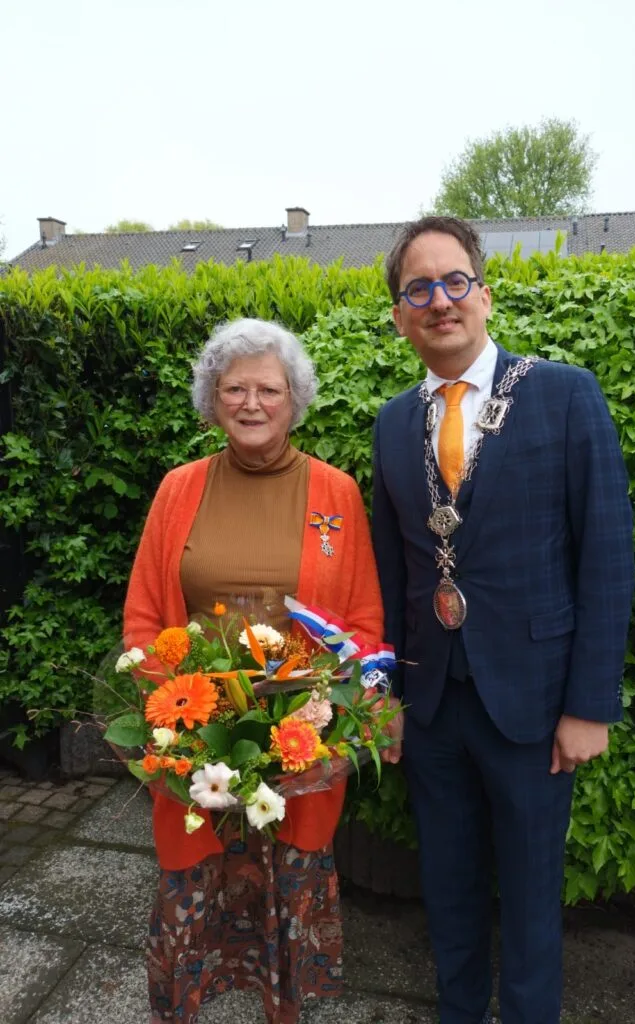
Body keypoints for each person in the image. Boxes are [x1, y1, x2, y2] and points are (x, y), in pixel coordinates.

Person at [372, 217, 635, 1024]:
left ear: (484, 295)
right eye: (419, 289)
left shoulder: (563, 393)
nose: (440, 300)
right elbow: (391, 573)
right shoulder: (392, 422)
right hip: (431, 705)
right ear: (400, 316)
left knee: (529, 897)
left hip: (534, 704)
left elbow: (606, 556)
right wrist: (383, 695)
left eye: (455, 281)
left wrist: (590, 706)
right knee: (447, 889)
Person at [124, 317, 400, 1024]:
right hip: (197, 746)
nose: (252, 403)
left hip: (299, 744)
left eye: (269, 389)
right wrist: (177, 726)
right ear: (212, 399)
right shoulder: (178, 489)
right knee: (193, 884)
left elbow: (363, 622)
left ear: (294, 398)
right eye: (234, 389)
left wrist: (334, 717)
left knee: (289, 888)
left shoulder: (336, 493)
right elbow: (145, 618)